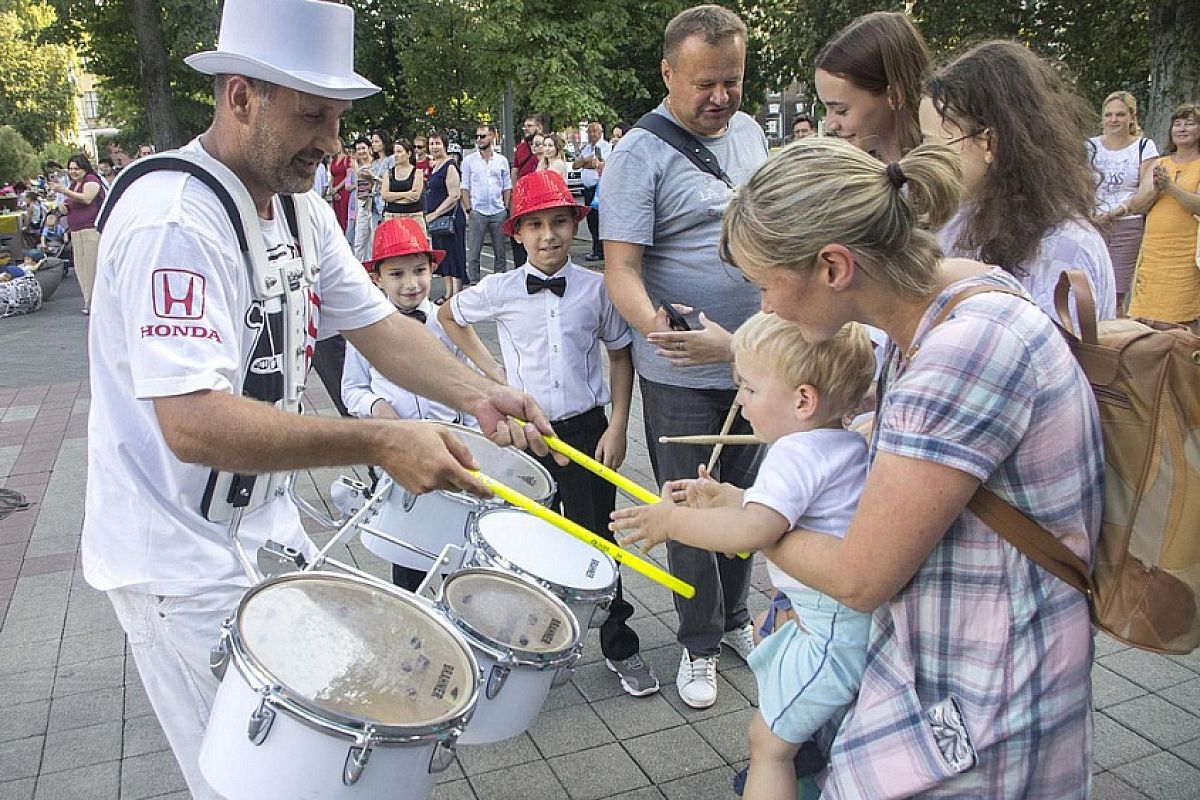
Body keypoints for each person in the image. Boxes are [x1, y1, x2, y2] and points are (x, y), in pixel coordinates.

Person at [81, 2, 557, 797]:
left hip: (259, 531)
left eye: (338, 119)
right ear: (240, 96)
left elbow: (373, 323)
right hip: (175, 558)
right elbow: (192, 424)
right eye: (313, 117)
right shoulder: (176, 222)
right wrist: (376, 443)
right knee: (255, 782)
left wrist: (482, 392)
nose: (333, 145)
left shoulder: (298, 202)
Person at [718, 135, 1101, 797]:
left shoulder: (962, 351)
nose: (767, 307)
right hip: (965, 663)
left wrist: (747, 520)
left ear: (834, 266)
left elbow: (860, 578)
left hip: (986, 699)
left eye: (765, 283)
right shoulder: (951, 294)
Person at [613, 314, 876, 799]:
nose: (740, 401)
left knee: (769, 745)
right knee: (802, 735)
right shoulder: (842, 442)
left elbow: (754, 530)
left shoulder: (792, 452)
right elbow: (781, 512)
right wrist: (728, 496)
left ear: (803, 400)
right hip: (838, 619)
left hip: (830, 631)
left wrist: (671, 522)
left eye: (750, 390)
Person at [602, 4, 769, 710]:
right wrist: (663, 331)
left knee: (749, 502)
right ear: (668, 72)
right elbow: (621, 270)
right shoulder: (638, 153)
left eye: (732, 80)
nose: (721, 98)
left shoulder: (753, 132)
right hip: (679, 373)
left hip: (758, 362)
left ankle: (734, 619)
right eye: (705, 83)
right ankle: (697, 644)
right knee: (690, 509)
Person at [440, 170, 659, 697]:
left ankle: (618, 641)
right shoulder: (501, 289)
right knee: (532, 542)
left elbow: (620, 353)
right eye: (534, 225)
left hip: (587, 430)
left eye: (559, 222)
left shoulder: (596, 288)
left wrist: (619, 425)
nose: (548, 235)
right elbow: (450, 315)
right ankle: (542, 644)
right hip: (526, 437)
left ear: (576, 225)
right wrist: (491, 376)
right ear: (515, 233)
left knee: (597, 538)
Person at [922, 41, 1116, 323]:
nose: (923, 158)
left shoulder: (1062, 248)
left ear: (989, 142)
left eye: (933, 145)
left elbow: (1049, 362)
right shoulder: (959, 221)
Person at [344, 217, 485, 589]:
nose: (410, 284)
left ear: (433, 268)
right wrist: (375, 406)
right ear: (377, 278)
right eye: (396, 274)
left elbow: (471, 385)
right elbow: (351, 388)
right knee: (408, 561)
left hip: (452, 452)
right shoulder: (365, 330)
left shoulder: (448, 323)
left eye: (419, 271)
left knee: (458, 559)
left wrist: (472, 441)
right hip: (401, 458)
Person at [814, 11, 928, 162]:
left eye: (841, 111)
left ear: (894, 96)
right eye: (826, 109)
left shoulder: (947, 179)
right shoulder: (845, 177)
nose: (830, 125)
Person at [1126, 103, 1200, 329]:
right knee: (1145, 321)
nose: (1182, 128)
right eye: (1177, 124)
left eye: (1190, 123)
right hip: (1153, 252)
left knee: (1181, 323)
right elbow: (1137, 206)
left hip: (1185, 253)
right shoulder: (1160, 163)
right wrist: (1154, 190)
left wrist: (1171, 188)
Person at [1089, 91, 1159, 311]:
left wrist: (1114, 213)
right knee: (1087, 288)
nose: (1113, 120)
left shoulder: (1144, 147)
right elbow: (1076, 182)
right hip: (1090, 223)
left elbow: (1148, 190)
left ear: (1131, 116)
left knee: (1115, 294)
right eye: (1108, 115)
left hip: (1126, 225)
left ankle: (1113, 339)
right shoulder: (1089, 147)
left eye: (1119, 114)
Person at [461, 123, 512, 281]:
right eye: (477, 136)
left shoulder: (501, 161)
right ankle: (474, 284)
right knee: (474, 253)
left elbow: (507, 186)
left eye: (482, 136)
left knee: (500, 252)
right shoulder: (469, 161)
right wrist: (470, 210)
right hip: (478, 211)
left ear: (492, 136)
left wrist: (506, 209)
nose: (479, 139)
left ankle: (499, 284)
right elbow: (464, 187)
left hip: (498, 211)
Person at [57, 153, 105, 314]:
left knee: (91, 267)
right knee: (80, 267)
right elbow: (70, 203)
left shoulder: (91, 180)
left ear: (84, 168)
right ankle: (87, 300)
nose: (73, 172)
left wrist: (64, 191)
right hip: (76, 231)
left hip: (90, 229)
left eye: (76, 168)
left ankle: (94, 302)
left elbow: (87, 198)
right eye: (70, 169)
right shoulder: (73, 185)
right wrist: (63, 207)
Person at [425, 130, 468, 299]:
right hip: (438, 220)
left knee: (455, 254)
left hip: (450, 218)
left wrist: (435, 214)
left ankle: (456, 294)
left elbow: (454, 195)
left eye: (437, 143)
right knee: (444, 256)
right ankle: (448, 292)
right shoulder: (435, 165)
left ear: (444, 145)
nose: (434, 147)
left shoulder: (450, 165)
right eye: (431, 143)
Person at [511, 115, 545, 271]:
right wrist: (516, 192)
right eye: (525, 125)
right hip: (523, 197)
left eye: (530, 125)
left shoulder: (546, 146)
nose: (526, 128)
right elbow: (515, 171)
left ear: (539, 128)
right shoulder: (521, 148)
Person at [573, 121, 610, 262]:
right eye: (589, 132)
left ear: (601, 133)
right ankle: (595, 247)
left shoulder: (606, 147)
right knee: (591, 220)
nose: (591, 134)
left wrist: (586, 163)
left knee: (600, 219)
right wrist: (587, 161)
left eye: (594, 131)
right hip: (587, 189)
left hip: (599, 188)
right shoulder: (587, 148)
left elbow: (601, 164)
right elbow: (576, 165)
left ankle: (600, 250)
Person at [381, 136, 426, 235]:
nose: (396, 155)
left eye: (399, 152)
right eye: (394, 152)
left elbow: (415, 196)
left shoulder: (417, 172)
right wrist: (406, 194)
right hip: (392, 216)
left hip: (413, 216)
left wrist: (393, 196)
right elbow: (384, 195)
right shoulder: (388, 173)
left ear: (409, 153)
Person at [351, 135, 376, 260]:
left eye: (363, 148)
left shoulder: (375, 164)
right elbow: (357, 187)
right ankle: (359, 267)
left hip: (374, 203)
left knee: (373, 240)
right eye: (358, 149)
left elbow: (375, 182)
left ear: (369, 148)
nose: (361, 151)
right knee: (359, 240)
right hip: (362, 203)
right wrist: (355, 210)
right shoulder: (357, 167)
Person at [329, 140, 354, 237]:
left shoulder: (347, 159)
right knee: (337, 217)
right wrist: (333, 191)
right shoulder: (333, 160)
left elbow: (348, 176)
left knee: (344, 217)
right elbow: (331, 177)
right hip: (335, 192)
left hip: (343, 191)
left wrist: (337, 188)